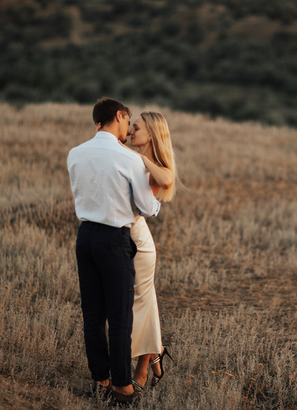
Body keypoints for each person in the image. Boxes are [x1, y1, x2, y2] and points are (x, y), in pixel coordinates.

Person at [67, 98, 161, 404]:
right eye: (128, 120)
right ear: (118, 117)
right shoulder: (129, 159)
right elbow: (147, 207)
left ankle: (100, 377)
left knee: (93, 313)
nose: (128, 128)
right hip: (114, 239)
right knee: (121, 316)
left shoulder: (75, 154)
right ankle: (123, 386)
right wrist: (155, 199)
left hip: (85, 238)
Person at [125, 112, 178, 391]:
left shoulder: (154, 164)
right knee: (144, 303)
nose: (131, 131)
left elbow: (167, 179)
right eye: (131, 126)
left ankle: (142, 368)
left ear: (152, 135)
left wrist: (141, 159)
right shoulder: (128, 158)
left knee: (142, 305)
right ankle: (155, 349)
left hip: (139, 243)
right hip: (122, 237)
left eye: (136, 127)